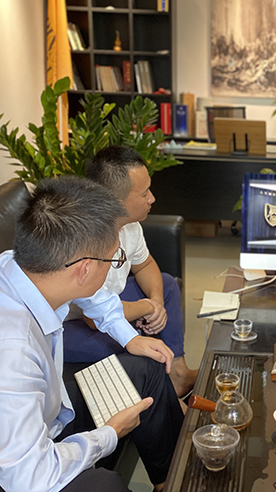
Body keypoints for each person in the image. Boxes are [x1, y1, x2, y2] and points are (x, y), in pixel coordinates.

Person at [0, 177, 184, 492]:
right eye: (113, 260)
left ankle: (171, 481)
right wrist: (108, 434)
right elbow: (29, 476)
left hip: (31, 425)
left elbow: (93, 295)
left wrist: (131, 338)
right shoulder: (4, 347)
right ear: (84, 269)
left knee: (146, 369)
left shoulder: (17, 267)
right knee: (104, 485)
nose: (113, 267)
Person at [63, 146, 198, 397]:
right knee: (129, 340)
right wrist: (147, 307)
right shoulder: (86, 239)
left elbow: (145, 264)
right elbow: (95, 317)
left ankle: (178, 372)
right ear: (114, 201)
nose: (152, 198)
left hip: (105, 305)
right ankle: (158, 394)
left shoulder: (129, 226)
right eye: (144, 193)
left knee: (167, 284)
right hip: (70, 324)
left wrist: (157, 301)